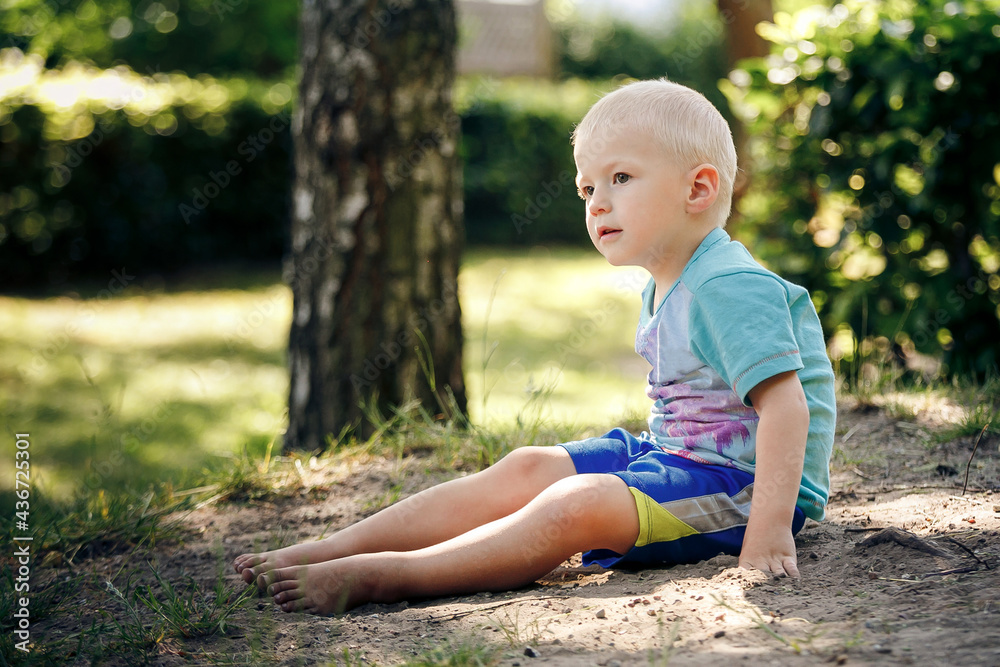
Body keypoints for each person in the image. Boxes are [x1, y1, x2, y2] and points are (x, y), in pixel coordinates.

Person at [233, 78, 837, 615]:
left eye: (620, 178)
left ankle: (392, 575)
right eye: (586, 188)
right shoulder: (673, 279)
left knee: (578, 503)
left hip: (744, 488)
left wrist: (768, 533)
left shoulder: (727, 286)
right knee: (529, 465)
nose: (597, 202)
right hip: (681, 458)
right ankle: (337, 545)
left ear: (698, 188)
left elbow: (786, 408)